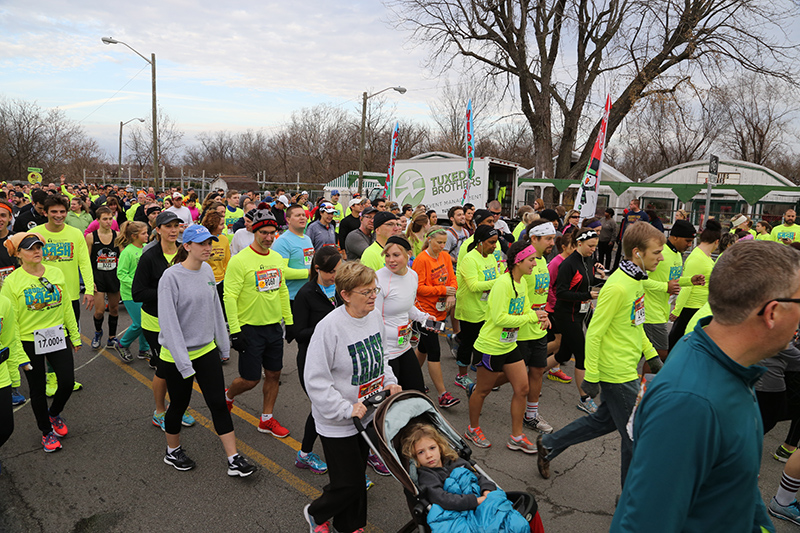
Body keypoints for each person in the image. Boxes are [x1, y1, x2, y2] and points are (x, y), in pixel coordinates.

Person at [611, 241, 800, 531]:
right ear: (772, 313)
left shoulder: (728, 362)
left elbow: (737, 486)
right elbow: (641, 523)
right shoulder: (691, 403)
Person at [537, 222, 666, 488]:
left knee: (603, 421)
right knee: (636, 437)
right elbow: (594, 333)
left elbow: (635, 324)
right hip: (615, 373)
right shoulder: (618, 287)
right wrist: (591, 377)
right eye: (657, 252)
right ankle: (631, 504)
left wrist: (652, 356)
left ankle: (549, 443)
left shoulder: (636, 281)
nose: (661, 257)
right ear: (637, 253)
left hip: (628, 367)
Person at [303, 261, 401, 533]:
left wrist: (390, 382)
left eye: (374, 290)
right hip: (338, 421)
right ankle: (315, 513)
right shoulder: (329, 328)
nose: (373, 296)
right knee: (350, 483)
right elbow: (316, 380)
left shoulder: (373, 316)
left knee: (356, 476)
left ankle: (350, 525)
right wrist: (345, 409)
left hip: (368, 414)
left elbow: (380, 357)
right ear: (345, 294)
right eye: (366, 292)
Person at [155, 224, 256, 476]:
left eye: (209, 243)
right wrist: (184, 363)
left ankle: (233, 459)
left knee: (218, 404)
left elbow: (214, 309)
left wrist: (223, 345)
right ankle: (172, 451)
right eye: (202, 244)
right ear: (186, 246)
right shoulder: (171, 277)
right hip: (177, 355)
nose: (208, 248)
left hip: (205, 350)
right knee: (179, 404)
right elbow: (169, 324)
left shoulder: (208, 271)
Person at [1, 232, 80, 452]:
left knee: (66, 382)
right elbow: (12, 323)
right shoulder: (12, 282)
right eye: (30, 248)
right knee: (37, 389)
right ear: (18, 254)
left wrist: (74, 335)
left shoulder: (55, 273)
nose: (37, 251)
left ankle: (53, 414)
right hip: (29, 341)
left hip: (57, 336)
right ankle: (46, 432)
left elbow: (66, 306)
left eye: (39, 247)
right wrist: (19, 354)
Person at [224, 205, 294, 438]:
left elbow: (282, 290)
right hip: (249, 328)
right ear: (254, 232)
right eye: (263, 232)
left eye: (272, 233)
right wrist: (235, 330)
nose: (268, 237)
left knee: (274, 374)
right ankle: (228, 396)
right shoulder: (240, 260)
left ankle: (266, 419)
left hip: (273, 327)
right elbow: (229, 296)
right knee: (250, 379)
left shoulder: (276, 257)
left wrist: (289, 321)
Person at [465, 240, 539, 452]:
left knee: (522, 388)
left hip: (509, 345)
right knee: (483, 390)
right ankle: (472, 428)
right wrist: (532, 317)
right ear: (518, 261)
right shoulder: (502, 284)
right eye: (531, 259)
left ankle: (516, 436)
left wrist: (537, 317)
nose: (535, 263)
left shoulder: (522, 282)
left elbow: (524, 311)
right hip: (490, 346)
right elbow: (499, 318)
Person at [401, 423, 528, 533]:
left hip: (481, 499)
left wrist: (487, 491)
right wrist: (476, 501)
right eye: (421, 452)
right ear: (415, 457)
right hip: (461, 508)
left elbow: (478, 477)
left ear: (440, 447)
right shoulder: (427, 476)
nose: (429, 455)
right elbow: (443, 499)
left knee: (515, 523)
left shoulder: (454, 460)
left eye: (432, 448)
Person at [132, 211, 196, 430]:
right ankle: (159, 411)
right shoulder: (149, 256)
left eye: (176, 226)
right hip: (156, 322)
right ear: (157, 230)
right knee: (164, 369)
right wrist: (167, 291)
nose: (173, 230)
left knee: (183, 366)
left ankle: (179, 406)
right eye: (167, 226)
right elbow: (137, 293)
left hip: (183, 322)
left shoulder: (185, 251)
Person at [36, 195, 94, 395]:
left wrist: (88, 289)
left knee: (68, 337)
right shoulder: (35, 233)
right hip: (43, 297)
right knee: (46, 338)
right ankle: (51, 377)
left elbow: (84, 262)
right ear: (45, 212)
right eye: (54, 212)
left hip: (70, 297)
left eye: (62, 211)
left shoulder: (76, 233)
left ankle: (64, 375)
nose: (59, 215)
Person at [292, 247, 342, 476]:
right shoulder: (306, 294)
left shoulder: (342, 289)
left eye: (338, 270)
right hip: (312, 360)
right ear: (317, 268)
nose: (335, 275)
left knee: (331, 406)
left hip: (338, 358)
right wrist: (326, 328)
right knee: (321, 408)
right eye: (331, 271)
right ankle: (305, 454)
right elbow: (297, 333)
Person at [642, 219, 705, 361]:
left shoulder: (677, 254)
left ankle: (641, 382)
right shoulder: (659, 252)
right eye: (687, 241)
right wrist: (665, 287)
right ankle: (645, 383)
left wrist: (690, 281)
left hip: (662, 310)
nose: (689, 245)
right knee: (660, 354)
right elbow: (641, 279)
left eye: (691, 242)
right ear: (675, 237)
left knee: (645, 353)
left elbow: (672, 280)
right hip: (650, 313)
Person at [413, 226, 460, 409]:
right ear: (429, 240)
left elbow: (452, 280)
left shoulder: (445, 257)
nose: (442, 246)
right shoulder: (421, 259)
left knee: (424, 348)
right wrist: (443, 290)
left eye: (444, 243)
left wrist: (451, 294)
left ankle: (412, 379)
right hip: (425, 312)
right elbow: (419, 287)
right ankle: (442, 394)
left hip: (441, 311)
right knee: (434, 351)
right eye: (439, 242)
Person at [376, 236, 428, 393]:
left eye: (396, 255)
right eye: (387, 255)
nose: (390, 260)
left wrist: (424, 317)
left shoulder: (413, 275)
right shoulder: (378, 279)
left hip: (404, 346)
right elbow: (373, 318)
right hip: (386, 352)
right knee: (390, 401)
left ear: (408, 254)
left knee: (417, 392)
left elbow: (406, 306)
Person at [519, 220, 556, 435]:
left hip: (539, 326)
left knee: (537, 370)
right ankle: (479, 390)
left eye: (552, 238)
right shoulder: (524, 260)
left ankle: (531, 415)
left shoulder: (543, 260)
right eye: (548, 239)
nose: (553, 242)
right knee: (509, 373)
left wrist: (546, 313)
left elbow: (542, 292)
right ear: (534, 239)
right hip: (521, 327)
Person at [453, 225, 500, 390]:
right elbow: (473, 285)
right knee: (468, 344)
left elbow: (496, 275)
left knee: (485, 345)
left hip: (486, 308)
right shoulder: (470, 259)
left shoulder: (491, 257)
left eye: (495, 242)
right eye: (491, 242)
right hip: (470, 309)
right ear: (479, 242)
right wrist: (499, 282)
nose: (494, 246)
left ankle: (483, 378)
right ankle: (461, 376)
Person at [668, 219, 721, 350]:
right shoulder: (697, 258)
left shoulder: (706, 256)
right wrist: (677, 310)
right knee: (676, 344)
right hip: (690, 307)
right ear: (716, 242)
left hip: (699, 306)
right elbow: (687, 285)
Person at [86, 207, 122, 353]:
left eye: (110, 218)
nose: (108, 221)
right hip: (98, 277)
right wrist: (89, 281)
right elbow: (86, 260)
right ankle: (98, 332)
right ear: (98, 220)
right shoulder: (91, 237)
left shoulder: (117, 235)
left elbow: (122, 255)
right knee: (100, 311)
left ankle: (112, 337)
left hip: (113, 276)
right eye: (105, 219)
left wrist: (120, 260)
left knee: (114, 309)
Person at [115, 221, 151, 362]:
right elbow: (122, 274)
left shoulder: (146, 249)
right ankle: (123, 344)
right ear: (134, 236)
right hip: (130, 294)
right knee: (139, 323)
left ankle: (144, 349)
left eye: (147, 232)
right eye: (144, 233)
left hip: (144, 293)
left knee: (146, 322)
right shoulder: (127, 252)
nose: (147, 235)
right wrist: (137, 285)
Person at [0, 291, 28, 463]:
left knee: (5, 428)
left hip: (1, 376)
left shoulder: (3, 303)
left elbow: (9, 341)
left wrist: (14, 377)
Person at [272, 204, 313, 306]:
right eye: (298, 215)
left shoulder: (307, 239)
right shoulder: (282, 241)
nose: (302, 217)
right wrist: (309, 272)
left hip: (308, 294)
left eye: (303, 215)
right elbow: (282, 272)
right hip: (291, 298)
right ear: (288, 220)